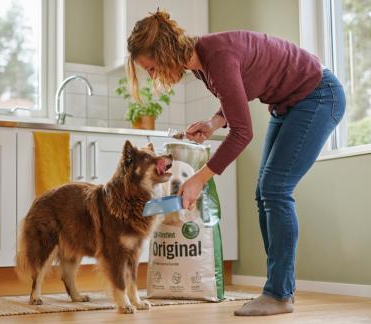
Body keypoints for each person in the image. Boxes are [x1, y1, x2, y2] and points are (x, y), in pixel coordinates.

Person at [126, 9, 346, 316]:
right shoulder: (202, 62)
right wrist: (214, 122)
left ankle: (278, 294)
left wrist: (197, 179)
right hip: (287, 105)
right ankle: (281, 290)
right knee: (266, 192)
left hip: (319, 96)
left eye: (151, 68)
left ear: (163, 53)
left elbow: (243, 133)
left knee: (275, 190)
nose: (153, 76)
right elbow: (234, 96)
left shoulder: (216, 57)